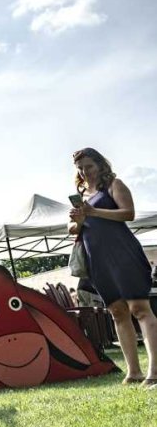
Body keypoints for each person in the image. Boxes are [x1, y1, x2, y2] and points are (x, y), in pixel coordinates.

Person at [69, 148, 157, 389]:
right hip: (97, 260)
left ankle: (155, 371)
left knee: (139, 308)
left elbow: (129, 213)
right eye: (80, 168)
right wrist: (77, 221)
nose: (84, 171)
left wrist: (92, 212)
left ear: (99, 165)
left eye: (88, 166)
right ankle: (134, 372)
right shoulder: (83, 195)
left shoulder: (114, 185)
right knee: (117, 312)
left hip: (123, 254)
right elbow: (73, 229)